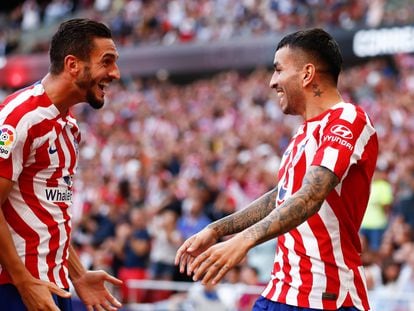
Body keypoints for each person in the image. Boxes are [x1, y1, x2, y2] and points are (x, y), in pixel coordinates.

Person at [175, 28, 378, 311]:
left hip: (325, 296)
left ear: (307, 74)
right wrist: (217, 229)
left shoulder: (348, 119)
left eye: (278, 70)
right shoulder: (303, 133)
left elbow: (310, 195)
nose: (272, 82)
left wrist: (244, 241)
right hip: (280, 292)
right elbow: (282, 196)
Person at [0, 18, 122, 310]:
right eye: (107, 62)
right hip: (16, 288)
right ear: (73, 65)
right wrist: (22, 280)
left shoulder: (69, 127)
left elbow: (46, 213)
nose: (115, 73)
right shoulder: (19, 119)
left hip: (55, 286)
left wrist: (78, 274)